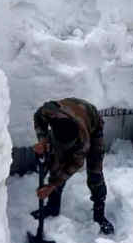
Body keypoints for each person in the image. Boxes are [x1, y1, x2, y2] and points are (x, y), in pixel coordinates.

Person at [31, 98, 114, 234]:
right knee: (56, 161)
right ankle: (53, 207)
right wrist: (43, 140)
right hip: (71, 110)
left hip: (93, 123)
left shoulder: (83, 142)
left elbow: (74, 165)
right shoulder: (50, 112)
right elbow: (38, 117)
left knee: (95, 172)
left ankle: (100, 216)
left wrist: (52, 185)